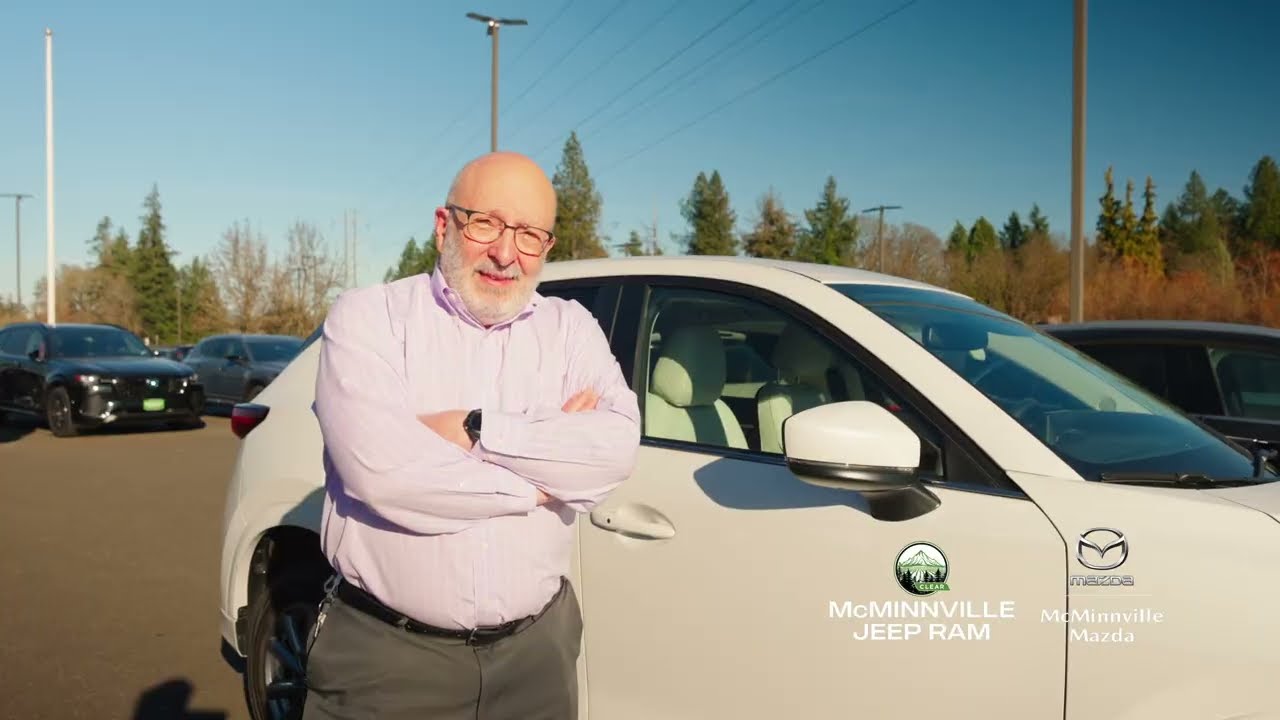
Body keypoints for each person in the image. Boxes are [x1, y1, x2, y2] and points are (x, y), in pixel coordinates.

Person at [302, 151, 641, 719]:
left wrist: (473, 428)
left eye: (530, 235)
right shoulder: (369, 318)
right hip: (390, 662)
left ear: (547, 247)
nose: (507, 253)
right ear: (444, 226)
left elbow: (613, 451)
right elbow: (385, 477)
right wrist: (539, 485)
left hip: (538, 656)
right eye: (487, 223)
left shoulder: (571, 329)